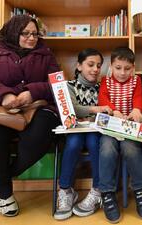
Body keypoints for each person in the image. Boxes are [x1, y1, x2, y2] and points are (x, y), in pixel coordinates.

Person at [0, 15, 61, 217]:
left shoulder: (46, 55)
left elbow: (56, 83)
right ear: (14, 32)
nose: (31, 38)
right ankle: (5, 194)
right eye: (25, 33)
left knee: (42, 131)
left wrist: (32, 92)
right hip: (3, 108)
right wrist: (5, 95)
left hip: (38, 107)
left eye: (35, 34)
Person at [54, 48, 112, 220]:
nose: (95, 69)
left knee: (95, 143)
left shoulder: (103, 87)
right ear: (79, 66)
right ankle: (65, 190)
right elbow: (72, 109)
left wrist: (98, 112)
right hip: (76, 131)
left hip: (95, 131)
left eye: (99, 66)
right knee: (73, 143)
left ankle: (97, 190)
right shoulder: (69, 86)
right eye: (90, 64)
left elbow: (107, 111)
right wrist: (96, 109)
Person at [98, 46, 142, 223]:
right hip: (111, 128)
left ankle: (140, 189)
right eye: (118, 68)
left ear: (133, 67)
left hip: (129, 128)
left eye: (127, 69)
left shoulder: (136, 81)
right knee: (106, 149)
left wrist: (137, 110)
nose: (122, 73)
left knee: (130, 149)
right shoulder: (105, 81)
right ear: (111, 66)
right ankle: (106, 192)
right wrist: (113, 110)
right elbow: (103, 99)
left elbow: (138, 99)